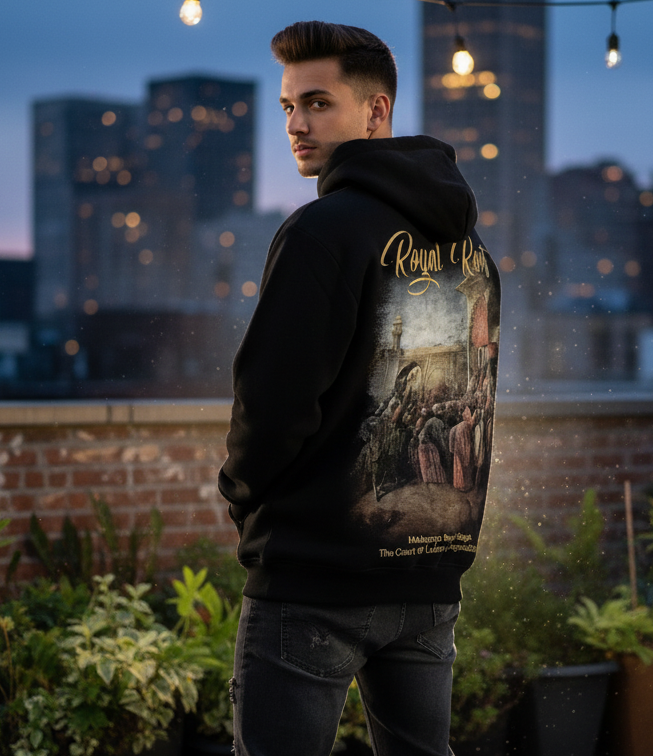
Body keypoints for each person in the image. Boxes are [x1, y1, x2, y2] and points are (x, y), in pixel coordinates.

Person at [217, 20, 501, 756]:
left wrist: (243, 500)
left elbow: (271, 403)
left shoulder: (322, 232)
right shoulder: (471, 251)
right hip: (426, 576)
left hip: (314, 580)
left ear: (376, 111)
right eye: (288, 106)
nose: (296, 125)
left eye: (318, 103)